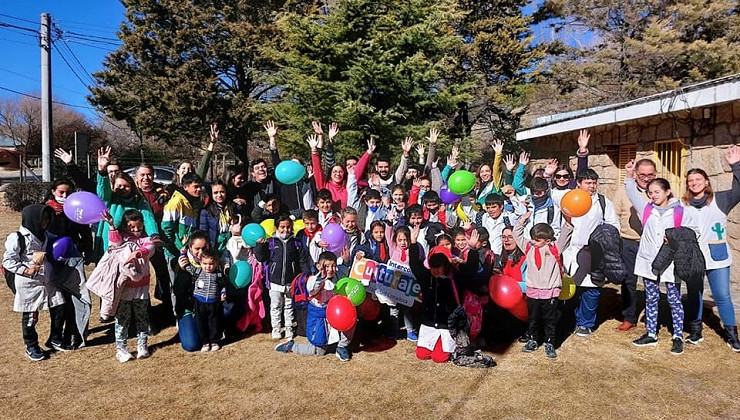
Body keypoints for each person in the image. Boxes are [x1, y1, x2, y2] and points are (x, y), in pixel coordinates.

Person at [625, 170, 700, 355]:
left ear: (667, 192)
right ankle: (651, 333)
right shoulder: (647, 210)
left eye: (657, 191)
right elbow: (633, 193)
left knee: (674, 299)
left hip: (671, 262)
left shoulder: (681, 211)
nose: (653, 195)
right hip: (650, 261)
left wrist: (677, 237)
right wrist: (628, 176)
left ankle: (677, 337)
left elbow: (694, 232)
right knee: (651, 298)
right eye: (650, 192)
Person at [682, 145, 740, 351]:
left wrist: (736, 166)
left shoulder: (721, 199)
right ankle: (695, 331)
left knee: (722, 294)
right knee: (694, 293)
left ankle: (732, 335)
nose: (694, 183)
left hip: (717, 256)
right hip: (694, 257)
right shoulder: (683, 205)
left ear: (706, 181)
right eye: (690, 181)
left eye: (698, 179)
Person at [551, 168, 619, 338]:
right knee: (567, 286)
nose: (592, 186)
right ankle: (567, 319)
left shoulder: (603, 202)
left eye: (594, 183)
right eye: (588, 183)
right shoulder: (567, 200)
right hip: (569, 251)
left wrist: (600, 242)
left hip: (592, 253)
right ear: (579, 183)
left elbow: (613, 226)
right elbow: (555, 225)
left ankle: (585, 323)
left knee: (591, 288)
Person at [3, 204, 64, 361]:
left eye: (47, 218)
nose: (45, 221)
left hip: (47, 280)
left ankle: (55, 337)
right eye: (42, 218)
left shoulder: (46, 234)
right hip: (29, 283)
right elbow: (8, 261)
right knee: (31, 315)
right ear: (32, 219)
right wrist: (26, 270)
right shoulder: (18, 238)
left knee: (58, 307)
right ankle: (31, 345)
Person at [274, 251, 355, 362]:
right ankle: (291, 346)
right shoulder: (313, 280)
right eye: (326, 266)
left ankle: (342, 347)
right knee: (319, 351)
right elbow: (313, 288)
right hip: (319, 316)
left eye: (333, 265)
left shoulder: (337, 274)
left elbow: (343, 271)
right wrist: (320, 278)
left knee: (349, 320)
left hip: (336, 312)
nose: (330, 269)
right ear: (319, 266)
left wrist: (346, 262)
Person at [513, 213, 574, 359]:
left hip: (550, 291)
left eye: (537, 240)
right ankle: (533, 339)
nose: (533, 242)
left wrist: (568, 221)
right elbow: (517, 234)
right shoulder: (529, 248)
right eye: (532, 238)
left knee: (550, 319)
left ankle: (549, 342)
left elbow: (565, 236)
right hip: (533, 291)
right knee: (533, 318)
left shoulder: (554, 249)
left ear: (548, 240)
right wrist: (522, 220)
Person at [101, 209, 155, 362]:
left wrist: (138, 253)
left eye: (139, 227)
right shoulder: (122, 239)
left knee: (142, 317)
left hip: (142, 287)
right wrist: (111, 225)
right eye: (132, 227)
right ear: (125, 226)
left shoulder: (146, 240)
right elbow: (114, 242)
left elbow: (149, 249)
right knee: (122, 320)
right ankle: (121, 348)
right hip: (124, 287)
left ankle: (142, 345)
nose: (136, 230)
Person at [44, 179, 92, 349]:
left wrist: (88, 250)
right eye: (61, 192)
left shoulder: (76, 209)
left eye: (68, 193)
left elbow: (85, 231)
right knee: (58, 300)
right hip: (51, 260)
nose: (65, 196)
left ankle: (74, 334)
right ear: (53, 191)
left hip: (73, 256)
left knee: (76, 297)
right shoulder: (46, 210)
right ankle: (55, 335)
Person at [611, 158, 656, 332]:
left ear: (655, 174)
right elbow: (614, 215)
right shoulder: (623, 191)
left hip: (651, 244)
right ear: (635, 174)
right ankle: (629, 317)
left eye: (650, 174)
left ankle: (652, 317)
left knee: (651, 281)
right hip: (628, 242)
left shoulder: (659, 191)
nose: (646, 178)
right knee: (628, 280)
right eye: (642, 174)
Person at [254, 215, 313, 340]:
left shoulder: (296, 243)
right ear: (276, 227)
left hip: (291, 282)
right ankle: (276, 328)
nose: (285, 230)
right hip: (274, 282)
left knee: (289, 306)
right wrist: (259, 246)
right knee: (275, 306)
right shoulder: (270, 242)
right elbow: (261, 257)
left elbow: (302, 261)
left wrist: (306, 275)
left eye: (288, 227)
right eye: (282, 227)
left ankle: (289, 328)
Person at [408, 225, 460, 363]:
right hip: (428, 323)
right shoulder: (426, 277)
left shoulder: (455, 277)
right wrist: (413, 243)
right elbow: (415, 264)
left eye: (439, 266)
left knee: (439, 358)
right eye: (433, 266)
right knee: (422, 355)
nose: (436, 270)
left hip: (446, 325)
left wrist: (471, 251)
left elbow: (470, 272)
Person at [161, 172, 204, 317]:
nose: (199, 190)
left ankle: (191, 312)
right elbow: (166, 229)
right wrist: (176, 249)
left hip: (190, 252)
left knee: (189, 283)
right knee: (177, 286)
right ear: (185, 187)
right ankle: (179, 316)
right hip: (176, 252)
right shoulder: (176, 202)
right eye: (195, 187)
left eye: (200, 187)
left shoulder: (191, 202)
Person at [179, 249, 226, 352]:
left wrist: (223, 293)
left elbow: (222, 286)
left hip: (213, 303)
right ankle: (205, 342)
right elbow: (187, 267)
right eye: (204, 264)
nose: (208, 266)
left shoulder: (218, 274)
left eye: (211, 264)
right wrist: (182, 254)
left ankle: (214, 341)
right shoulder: (198, 271)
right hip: (199, 303)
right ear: (200, 263)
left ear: (216, 263)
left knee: (214, 323)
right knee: (201, 323)